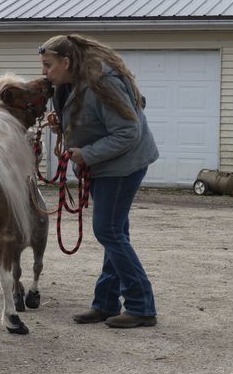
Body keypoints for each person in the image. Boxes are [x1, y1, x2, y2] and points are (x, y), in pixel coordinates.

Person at [38, 34, 159, 328]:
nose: (44, 72)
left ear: (66, 62)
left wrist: (86, 154)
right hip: (104, 165)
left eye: (48, 65)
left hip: (122, 166)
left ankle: (142, 306)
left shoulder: (102, 83)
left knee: (108, 231)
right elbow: (89, 121)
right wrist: (61, 126)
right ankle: (105, 303)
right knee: (115, 233)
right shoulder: (66, 86)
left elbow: (128, 131)